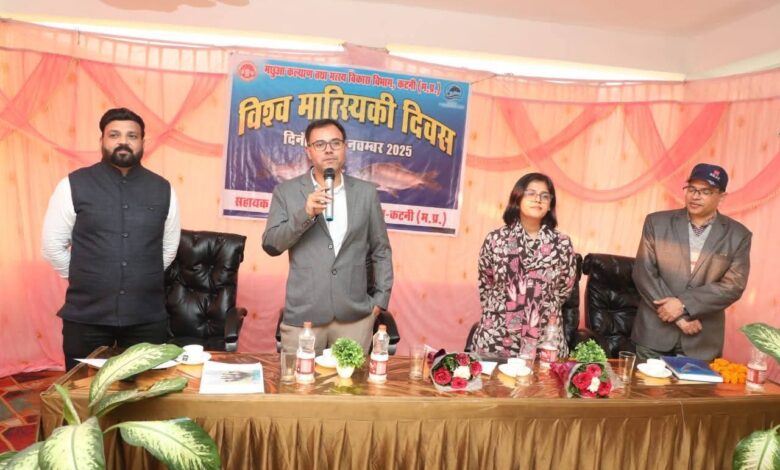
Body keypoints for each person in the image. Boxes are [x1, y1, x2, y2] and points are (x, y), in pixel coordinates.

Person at [41, 107, 181, 370]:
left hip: (146, 318)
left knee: (145, 391)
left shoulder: (164, 189)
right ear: (102, 140)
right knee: (83, 390)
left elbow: (169, 248)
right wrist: (86, 277)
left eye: (132, 136)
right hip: (86, 317)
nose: (123, 142)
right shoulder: (73, 184)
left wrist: (139, 275)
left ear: (143, 142)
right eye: (114, 135)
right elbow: (52, 246)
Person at [262, 119, 393, 354]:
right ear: (308, 151)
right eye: (320, 144)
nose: (329, 150)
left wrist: (380, 301)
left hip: (355, 318)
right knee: (298, 378)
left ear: (345, 148)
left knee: (351, 379)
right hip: (304, 318)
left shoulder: (366, 193)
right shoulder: (286, 192)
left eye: (335, 143)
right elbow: (271, 245)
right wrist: (305, 214)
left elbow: (381, 250)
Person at [631, 163, 751, 362]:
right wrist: (679, 317)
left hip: (702, 341)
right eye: (692, 189)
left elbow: (733, 286)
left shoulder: (738, 235)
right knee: (644, 383)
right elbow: (644, 272)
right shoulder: (656, 222)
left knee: (695, 385)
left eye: (705, 191)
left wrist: (683, 304)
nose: (695, 196)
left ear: (721, 197)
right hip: (654, 335)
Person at [471, 173, 577, 359]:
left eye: (545, 196)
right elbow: (486, 284)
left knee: (545, 380)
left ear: (550, 204)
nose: (538, 199)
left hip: (545, 337)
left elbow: (564, 288)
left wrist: (536, 303)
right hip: (497, 333)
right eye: (531, 193)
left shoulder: (562, 243)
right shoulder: (496, 239)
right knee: (492, 379)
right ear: (517, 197)